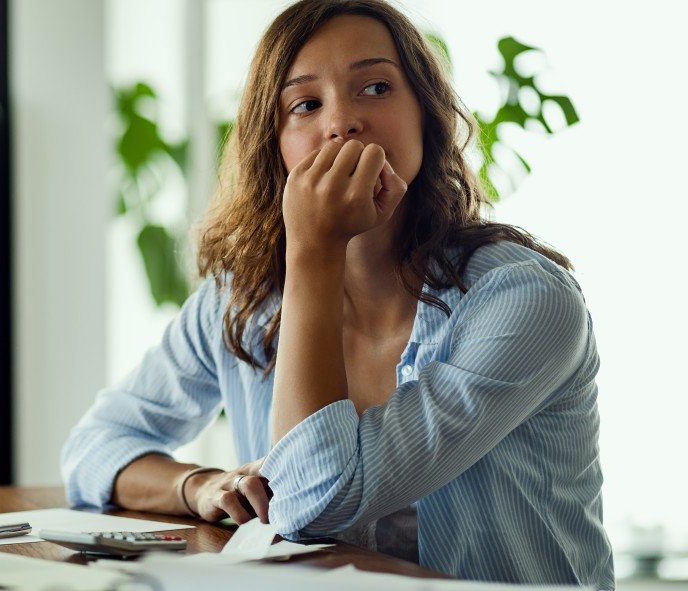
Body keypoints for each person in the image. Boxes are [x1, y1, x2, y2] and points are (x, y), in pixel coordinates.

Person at [61, 0, 613, 588]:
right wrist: (196, 485)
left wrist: (313, 253)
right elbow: (95, 447)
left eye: (375, 87)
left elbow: (314, 502)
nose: (342, 122)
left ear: (427, 116)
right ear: (275, 147)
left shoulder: (523, 301)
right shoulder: (243, 300)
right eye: (306, 104)